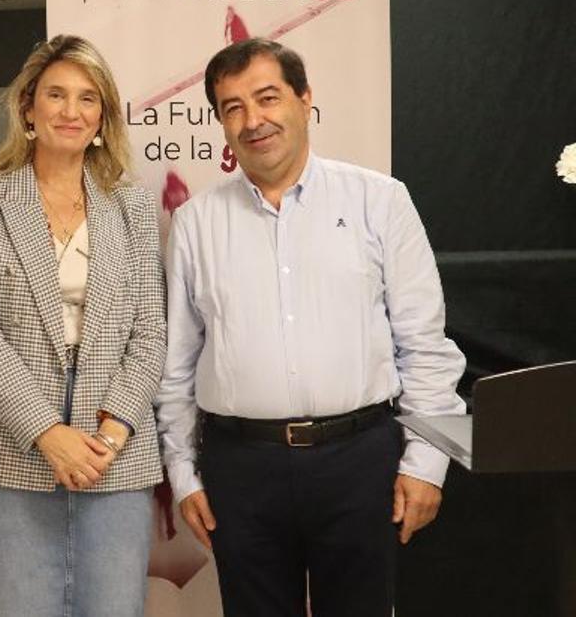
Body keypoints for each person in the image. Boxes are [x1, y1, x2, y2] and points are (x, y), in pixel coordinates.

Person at [156, 37, 467, 616]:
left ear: (304, 99)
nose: (253, 121)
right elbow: (175, 363)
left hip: (360, 462)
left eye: (268, 97)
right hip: (239, 469)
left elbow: (424, 346)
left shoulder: (381, 201)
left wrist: (428, 464)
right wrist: (183, 474)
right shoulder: (197, 223)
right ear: (221, 122)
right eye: (232, 107)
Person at [0, 34, 167, 616]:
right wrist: (46, 431)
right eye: (55, 95)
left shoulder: (131, 205)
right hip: (2, 440)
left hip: (113, 445)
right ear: (28, 108)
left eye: (88, 99)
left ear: (103, 117)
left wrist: (110, 435)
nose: (71, 110)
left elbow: (150, 333)